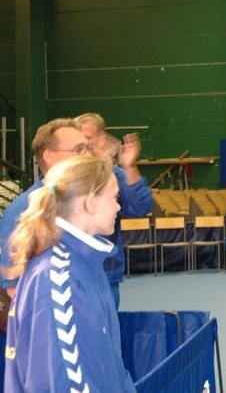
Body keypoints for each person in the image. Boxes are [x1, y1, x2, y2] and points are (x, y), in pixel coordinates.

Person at [4, 155, 136, 392]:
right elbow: (62, 383)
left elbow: (112, 364)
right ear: (90, 202)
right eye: (114, 198)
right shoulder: (57, 277)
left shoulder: (89, 264)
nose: (119, 206)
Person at [0, 118, 92, 387]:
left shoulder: (70, 206)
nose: (87, 155)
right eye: (78, 150)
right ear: (49, 157)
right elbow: (14, 291)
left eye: (87, 148)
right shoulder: (23, 211)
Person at [74, 113, 152, 308]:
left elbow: (140, 207)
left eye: (88, 138)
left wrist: (128, 166)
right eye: (79, 140)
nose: (83, 145)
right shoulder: (67, 177)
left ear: (101, 138)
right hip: (73, 269)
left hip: (106, 272)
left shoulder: (116, 175)